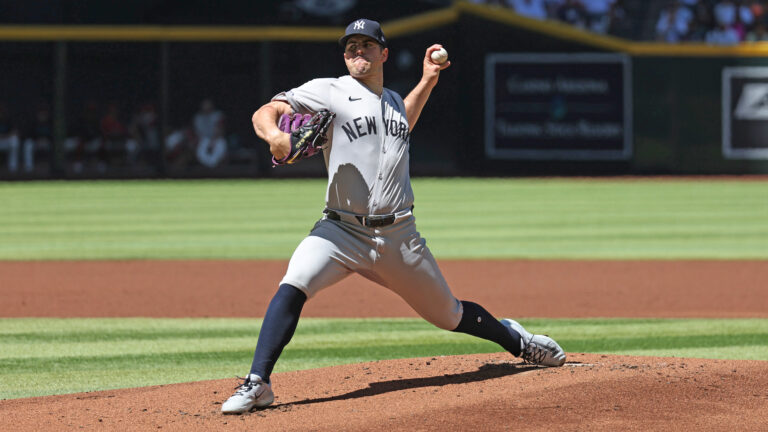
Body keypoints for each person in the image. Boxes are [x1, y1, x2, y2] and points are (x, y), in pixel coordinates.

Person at [221, 18, 566, 415]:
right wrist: (276, 136)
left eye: (367, 45)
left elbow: (400, 123)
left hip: (400, 236)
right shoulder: (329, 90)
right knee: (294, 283)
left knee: (450, 315)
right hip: (340, 231)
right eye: (351, 46)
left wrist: (428, 81)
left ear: (383, 54)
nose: (357, 52)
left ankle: (518, 341)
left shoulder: (391, 101)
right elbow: (266, 111)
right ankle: (258, 382)